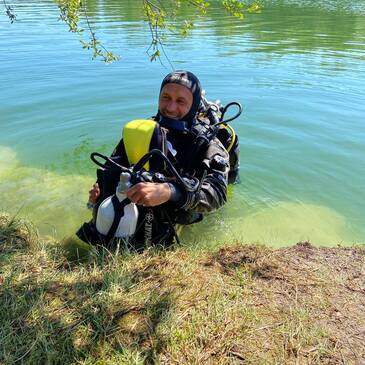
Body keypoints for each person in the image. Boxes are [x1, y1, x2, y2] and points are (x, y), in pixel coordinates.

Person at [80, 70, 236, 250]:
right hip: (138, 207)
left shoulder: (207, 143)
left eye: (180, 101)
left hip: (181, 209)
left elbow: (218, 192)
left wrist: (170, 191)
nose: (170, 108)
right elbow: (114, 164)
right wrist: (98, 193)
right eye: (166, 97)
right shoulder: (142, 130)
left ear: (193, 105)